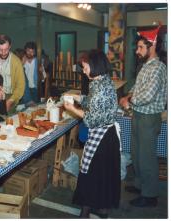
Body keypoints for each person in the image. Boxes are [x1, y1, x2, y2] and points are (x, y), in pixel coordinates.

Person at [64, 49, 120, 218]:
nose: (83, 70)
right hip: (108, 135)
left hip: (102, 136)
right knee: (103, 175)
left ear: (94, 65)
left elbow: (91, 119)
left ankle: (86, 211)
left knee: (91, 174)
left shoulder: (100, 86)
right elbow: (92, 101)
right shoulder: (101, 81)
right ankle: (102, 209)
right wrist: (78, 98)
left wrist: (72, 108)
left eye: (85, 66)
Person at [119, 25, 167, 208]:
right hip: (139, 116)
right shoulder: (146, 66)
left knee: (147, 157)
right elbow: (136, 89)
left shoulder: (157, 68)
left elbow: (148, 95)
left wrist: (128, 102)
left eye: (140, 47)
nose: (137, 51)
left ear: (152, 46)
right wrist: (127, 96)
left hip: (148, 118)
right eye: (137, 47)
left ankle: (150, 195)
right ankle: (140, 185)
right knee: (137, 154)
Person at [0, 34, 25, 114]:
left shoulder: (16, 62)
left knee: (8, 121)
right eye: (0, 49)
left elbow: (20, 87)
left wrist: (11, 100)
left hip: (10, 96)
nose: (3, 53)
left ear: (10, 47)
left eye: (6, 49)